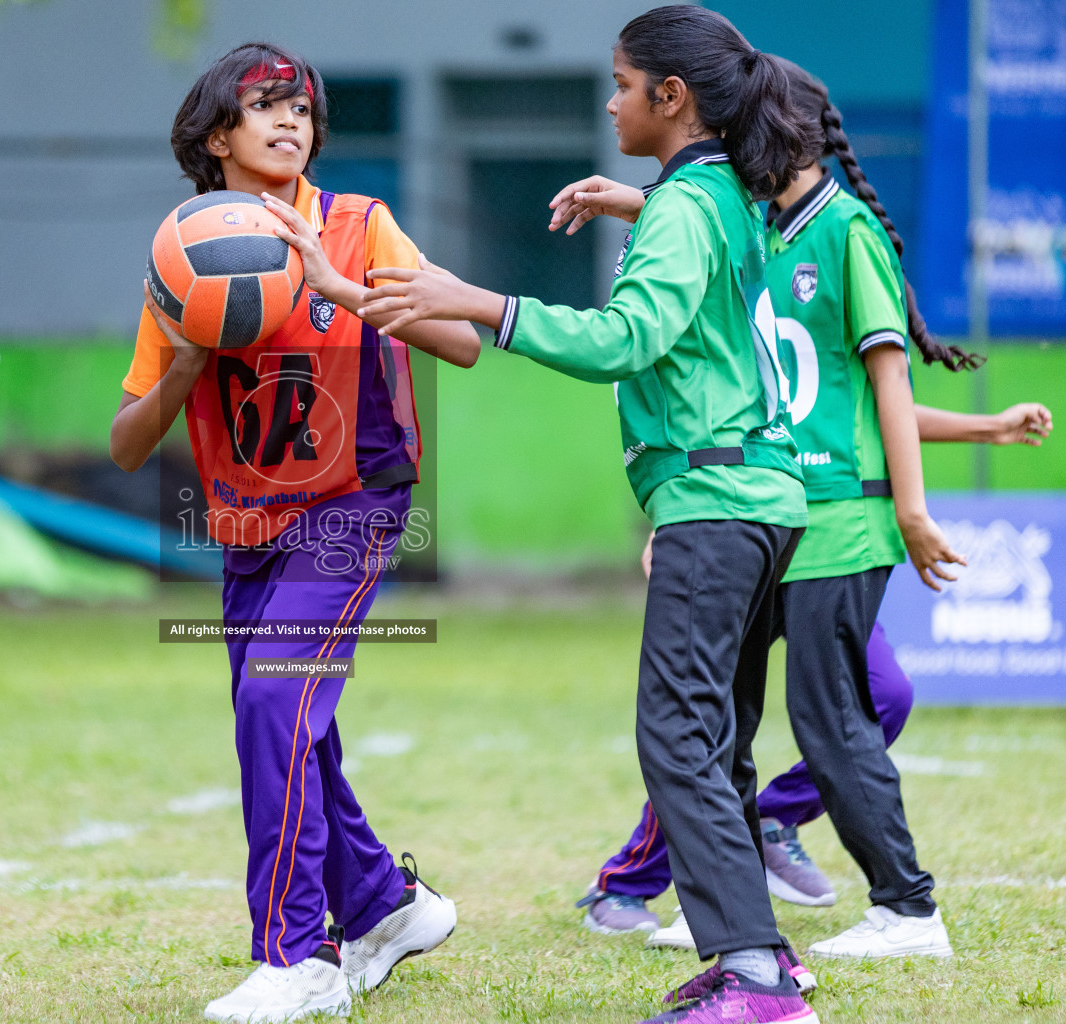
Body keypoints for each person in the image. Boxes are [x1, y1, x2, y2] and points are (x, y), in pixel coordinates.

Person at [358, 8, 827, 1022]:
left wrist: (475, 299)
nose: (608, 102)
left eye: (620, 84)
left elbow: (629, 335)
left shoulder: (691, 206)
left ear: (672, 98)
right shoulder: (723, 194)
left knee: (677, 739)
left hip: (719, 498)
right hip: (753, 493)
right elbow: (703, 246)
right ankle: (763, 961)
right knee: (714, 737)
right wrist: (641, 202)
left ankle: (753, 981)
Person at [570, 60, 1051, 962]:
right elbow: (715, 238)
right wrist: (631, 203)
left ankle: (908, 910)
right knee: (725, 719)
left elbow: (886, 389)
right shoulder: (765, 231)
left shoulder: (848, 233)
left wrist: (912, 509)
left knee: (836, 716)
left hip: (835, 519)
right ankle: (722, 898)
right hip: (763, 509)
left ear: (781, 132)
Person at [109, 43, 478, 1023]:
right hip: (248, 526)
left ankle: (296, 957)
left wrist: (342, 286)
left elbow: (464, 341)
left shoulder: (360, 226)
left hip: (353, 504)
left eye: (302, 108)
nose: (289, 120)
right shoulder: (181, 253)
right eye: (265, 105)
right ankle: (383, 906)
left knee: (277, 703)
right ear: (216, 133)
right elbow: (125, 443)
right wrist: (186, 363)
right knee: (285, 726)